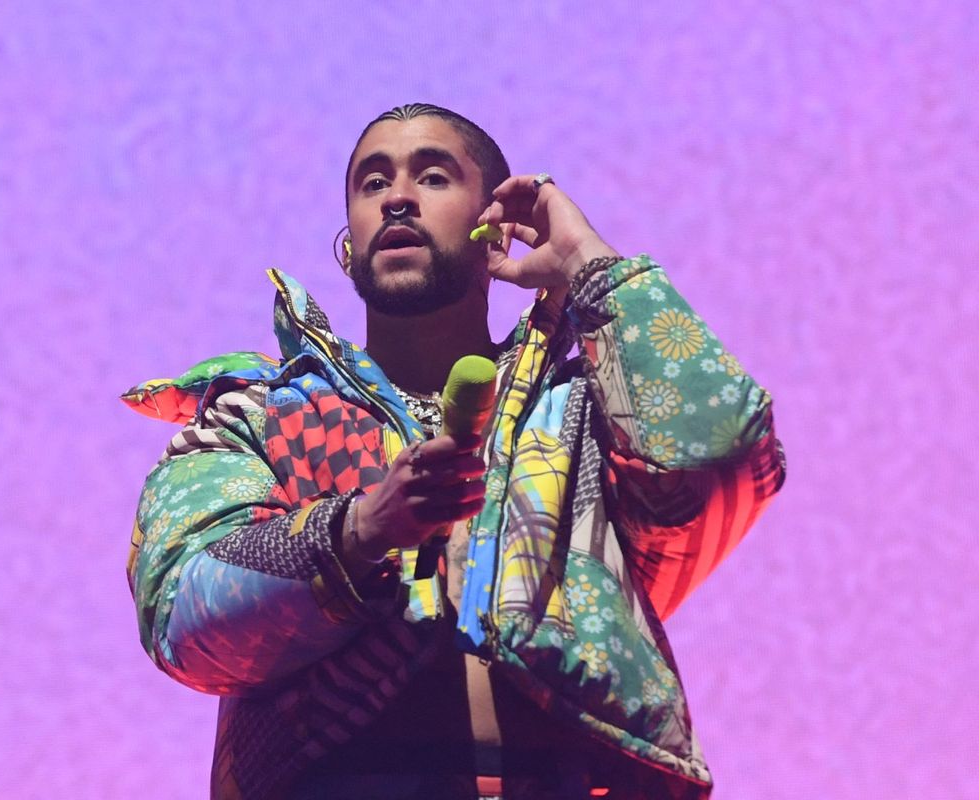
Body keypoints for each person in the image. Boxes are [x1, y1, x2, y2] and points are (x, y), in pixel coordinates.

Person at [123, 103, 785, 799]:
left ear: (492, 231)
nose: (398, 197)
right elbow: (184, 616)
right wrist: (359, 530)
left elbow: (721, 455)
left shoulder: (586, 411)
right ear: (347, 246)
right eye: (372, 184)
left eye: (433, 177)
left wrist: (591, 265)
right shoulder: (257, 414)